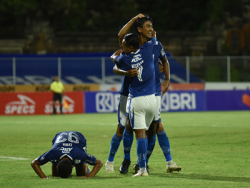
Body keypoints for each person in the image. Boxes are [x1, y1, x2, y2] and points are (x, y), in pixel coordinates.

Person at [116, 14, 181, 174]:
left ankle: (151, 163)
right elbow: (120, 37)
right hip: (136, 94)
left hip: (154, 92)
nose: (152, 29)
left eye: (152, 26)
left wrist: (167, 79)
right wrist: (132, 19)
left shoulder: (154, 44)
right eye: (148, 27)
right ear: (139, 30)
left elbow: (165, 60)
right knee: (131, 127)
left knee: (154, 127)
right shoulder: (135, 44)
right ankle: (129, 160)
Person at [110, 32, 156, 177]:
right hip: (152, 99)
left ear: (130, 47)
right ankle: (140, 164)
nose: (122, 48)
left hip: (137, 100)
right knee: (148, 131)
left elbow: (113, 58)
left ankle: (142, 169)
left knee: (139, 134)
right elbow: (153, 40)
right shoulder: (148, 50)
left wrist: (124, 69)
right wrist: (151, 35)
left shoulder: (125, 58)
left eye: (124, 46)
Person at [105, 66, 138, 173]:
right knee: (121, 128)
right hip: (126, 94)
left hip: (141, 96)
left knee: (142, 129)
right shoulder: (126, 54)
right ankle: (111, 161)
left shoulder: (147, 52)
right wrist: (126, 72)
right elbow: (115, 62)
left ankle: (143, 162)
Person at [31, 131, 103, 179]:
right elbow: (34, 163)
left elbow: (99, 163)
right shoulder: (52, 153)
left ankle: (85, 166)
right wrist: (44, 178)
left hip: (79, 138)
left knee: (80, 173)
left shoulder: (79, 154)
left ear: (72, 166)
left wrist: (89, 177)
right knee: (55, 175)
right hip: (58, 137)